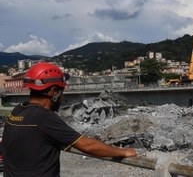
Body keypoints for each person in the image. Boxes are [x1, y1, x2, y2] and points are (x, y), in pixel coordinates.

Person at [2, 62, 137, 177]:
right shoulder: (45, 118)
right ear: (53, 92)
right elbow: (87, 145)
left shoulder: (18, 110)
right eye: (62, 91)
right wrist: (123, 151)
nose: (63, 97)